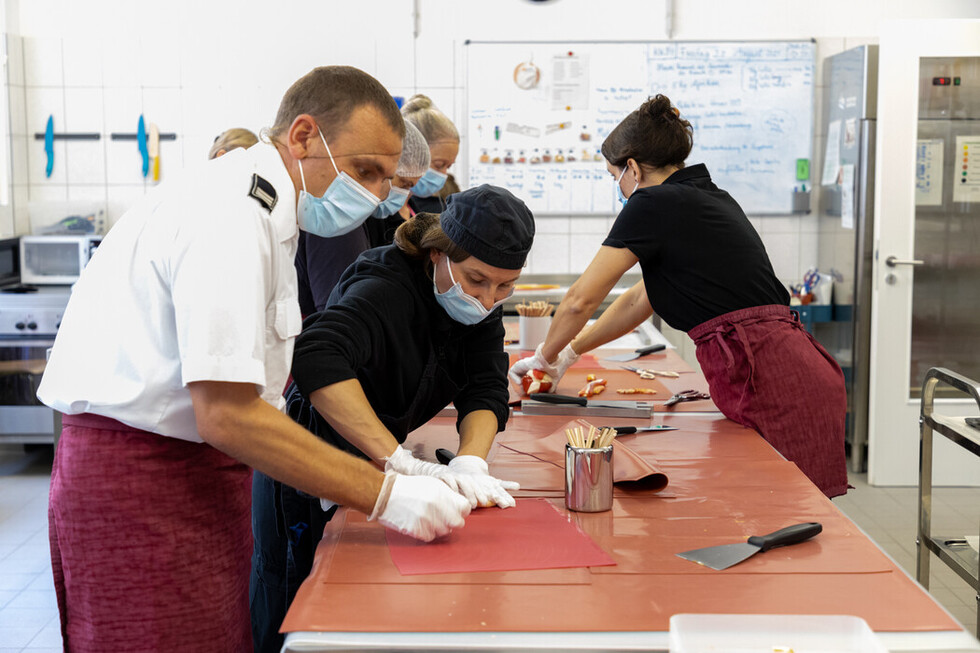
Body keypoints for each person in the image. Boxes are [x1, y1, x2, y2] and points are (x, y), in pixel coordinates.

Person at [37, 66, 473, 653]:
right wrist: (385, 492)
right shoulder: (229, 211)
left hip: (203, 475)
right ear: (302, 136)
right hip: (142, 479)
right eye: (365, 170)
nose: (373, 194)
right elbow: (228, 413)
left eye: (385, 178)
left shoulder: (269, 213)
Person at [508, 94, 848, 499]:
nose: (617, 186)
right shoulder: (703, 197)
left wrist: (544, 357)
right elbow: (640, 300)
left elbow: (582, 298)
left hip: (774, 379)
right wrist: (569, 353)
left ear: (631, 168)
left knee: (787, 508)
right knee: (776, 504)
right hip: (789, 368)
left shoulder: (653, 202)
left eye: (613, 175)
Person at [251, 184, 531, 653]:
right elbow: (317, 353)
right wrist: (400, 461)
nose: (486, 299)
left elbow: (485, 385)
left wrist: (470, 463)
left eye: (505, 287)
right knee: (293, 603)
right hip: (309, 465)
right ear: (438, 253)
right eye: (476, 279)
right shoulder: (385, 287)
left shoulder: (479, 306)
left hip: (375, 463)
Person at [296, 120, 429, 314]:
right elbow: (341, 311)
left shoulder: (353, 218)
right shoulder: (339, 219)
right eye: (404, 184)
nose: (405, 195)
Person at [401, 93, 460, 215]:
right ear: (408, 152)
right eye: (439, 165)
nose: (443, 175)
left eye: (448, 167)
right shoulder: (381, 213)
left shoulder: (412, 209)